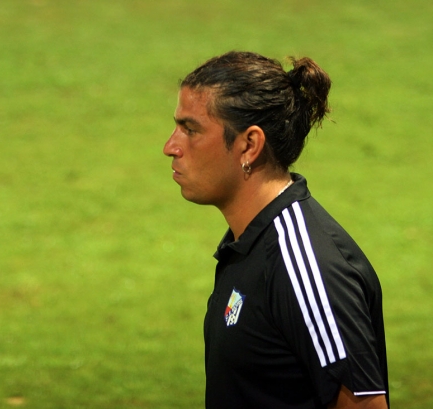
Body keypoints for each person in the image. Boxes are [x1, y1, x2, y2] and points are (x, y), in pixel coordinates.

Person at [163, 51, 389, 409]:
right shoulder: (249, 243)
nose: (170, 147)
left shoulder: (303, 264)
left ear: (249, 145)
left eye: (191, 130)